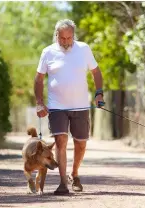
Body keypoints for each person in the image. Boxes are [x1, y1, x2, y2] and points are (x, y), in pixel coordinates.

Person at [34, 19, 104, 195]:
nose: (65, 42)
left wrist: (99, 93)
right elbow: (39, 78)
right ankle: (63, 182)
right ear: (56, 35)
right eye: (62, 38)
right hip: (57, 106)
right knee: (60, 141)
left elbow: (96, 72)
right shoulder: (48, 52)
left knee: (80, 143)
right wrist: (39, 102)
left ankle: (75, 173)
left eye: (69, 38)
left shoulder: (84, 49)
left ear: (74, 36)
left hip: (80, 105)